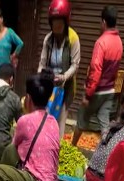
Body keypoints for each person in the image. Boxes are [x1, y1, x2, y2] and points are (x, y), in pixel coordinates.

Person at [0, 72, 60, 181]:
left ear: (27, 98)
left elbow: (14, 149)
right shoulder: (54, 121)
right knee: (11, 151)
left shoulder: (25, 120)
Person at [71, 5, 122, 150]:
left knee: (82, 120)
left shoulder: (101, 42)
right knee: (105, 124)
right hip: (109, 91)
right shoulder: (119, 42)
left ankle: (72, 148)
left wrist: (88, 94)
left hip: (96, 91)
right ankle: (107, 151)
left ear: (104, 22)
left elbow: (96, 70)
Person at [37, 0, 80, 136]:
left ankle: (57, 147)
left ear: (66, 21)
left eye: (60, 21)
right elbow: (42, 63)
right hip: (50, 84)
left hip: (65, 87)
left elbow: (75, 64)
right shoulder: (48, 39)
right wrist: (39, 78)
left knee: (61, 118)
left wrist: (64, 77)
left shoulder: (73, 38)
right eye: (54, 21)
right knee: (46, 116)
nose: (56, 25)